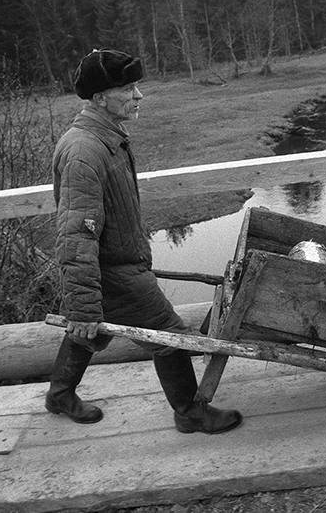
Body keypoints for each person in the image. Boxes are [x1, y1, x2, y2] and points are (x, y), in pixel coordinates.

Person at [45, 48, 242, 434]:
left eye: (137, 86)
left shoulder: (106, 138)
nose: (139, 96)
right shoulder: (85, 151)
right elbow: (76, 235)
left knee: (92, 330)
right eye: (129, 88)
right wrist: (83, 307)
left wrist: (88, 315)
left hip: (121, 261)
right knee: (169, 335)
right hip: (112, 270)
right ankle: (188, 411)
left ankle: (59, 394)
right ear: (101, 98)